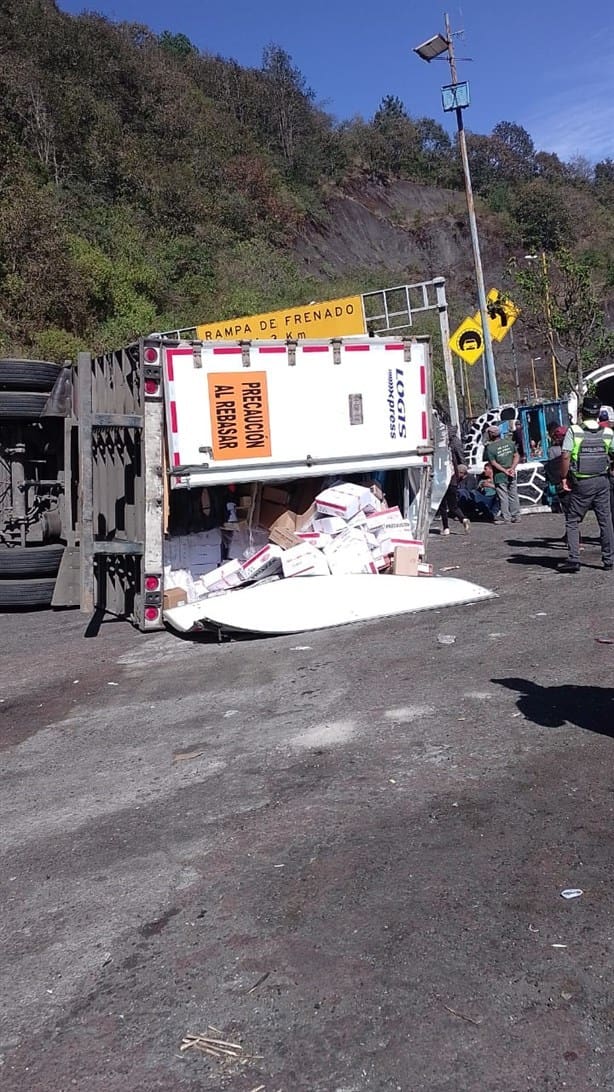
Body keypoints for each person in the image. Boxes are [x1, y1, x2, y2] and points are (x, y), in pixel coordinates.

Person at [558, 393, 614, 573]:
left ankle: (574, 559)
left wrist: (564, 477)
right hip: (602, 480)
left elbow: (565, 455)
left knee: (573, 519)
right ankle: (609, 559)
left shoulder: (574, 431)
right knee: (605, 520)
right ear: (598, 414)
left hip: (582, 481)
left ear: (582, 412)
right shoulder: (608, 433)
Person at [483, 424, 521, 524]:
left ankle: (507, 518)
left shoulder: (490, 448)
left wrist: (504, 471)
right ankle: (516, 516)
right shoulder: (510, 443)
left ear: (491, 434)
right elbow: (517, 456)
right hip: (512, 473)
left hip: (499, 476)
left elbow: (493, 463)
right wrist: (512, 468)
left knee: (503, 497)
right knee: (513, 495)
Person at [438, 463, 471, 535]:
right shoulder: (457, 477)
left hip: (443, 486)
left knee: (442, 507)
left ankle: (446, 528)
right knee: (454, 506)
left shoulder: (449, 470)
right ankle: (463, 519)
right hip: (453, 487)